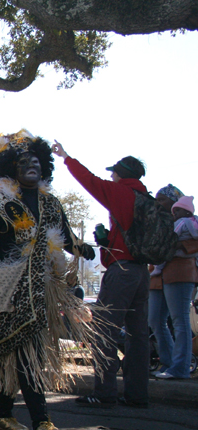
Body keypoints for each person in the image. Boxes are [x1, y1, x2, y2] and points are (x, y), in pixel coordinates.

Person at [0, 130, 96, 430]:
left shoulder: (51, 202)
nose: (31, 166)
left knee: (17, 355)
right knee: (24, 356)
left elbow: (67, 237)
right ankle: (42, 422)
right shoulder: (2, 204)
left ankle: (2, 414)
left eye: (36, 161)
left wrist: (85, 247)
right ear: (10, 168)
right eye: (23, 162)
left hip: (40, 290)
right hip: (6, 293)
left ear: (44, 166)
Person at [52, 142, 151, 408]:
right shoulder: (146, 198)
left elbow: (89, 181)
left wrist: (66, 157)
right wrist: (110, 240)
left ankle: (105, 392)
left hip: (122, 271)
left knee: (103, 332)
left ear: (121, 173)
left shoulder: (122, 193)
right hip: (142, 272)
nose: (110, 177)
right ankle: (137, 394)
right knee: (138, 335)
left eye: (114, 173)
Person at [149, 195, 198, 380]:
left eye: (162, 199)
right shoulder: (159, 221)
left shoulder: (190, 222)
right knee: (154, 319)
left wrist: (176, 245)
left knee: (180, 320)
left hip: (179, 272)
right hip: (157, 276)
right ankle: (168, 364)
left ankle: (180, 368)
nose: (159, 203)